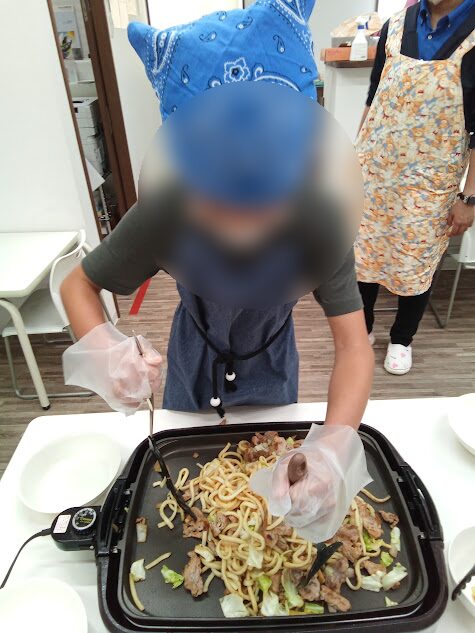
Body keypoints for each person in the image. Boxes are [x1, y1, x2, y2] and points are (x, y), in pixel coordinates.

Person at [60, 1, 374, 539]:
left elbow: (354, 347)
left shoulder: (322, 219)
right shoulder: (166, 210)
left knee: (271, 512)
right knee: (192, 509)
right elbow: (78, 284)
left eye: (263, 198)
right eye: (219, 199)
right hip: (190, 364)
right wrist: (106, 350)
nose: (240, 227)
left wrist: (332, 447)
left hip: (273, 368)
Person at [356, 0, 475, 375]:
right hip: (374, 173)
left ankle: (402, 339)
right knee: (363, 255)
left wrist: (469, 197)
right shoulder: (395, 25)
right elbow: (373, 98)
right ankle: (362, 328)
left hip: (430, 184)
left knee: (417, 263)